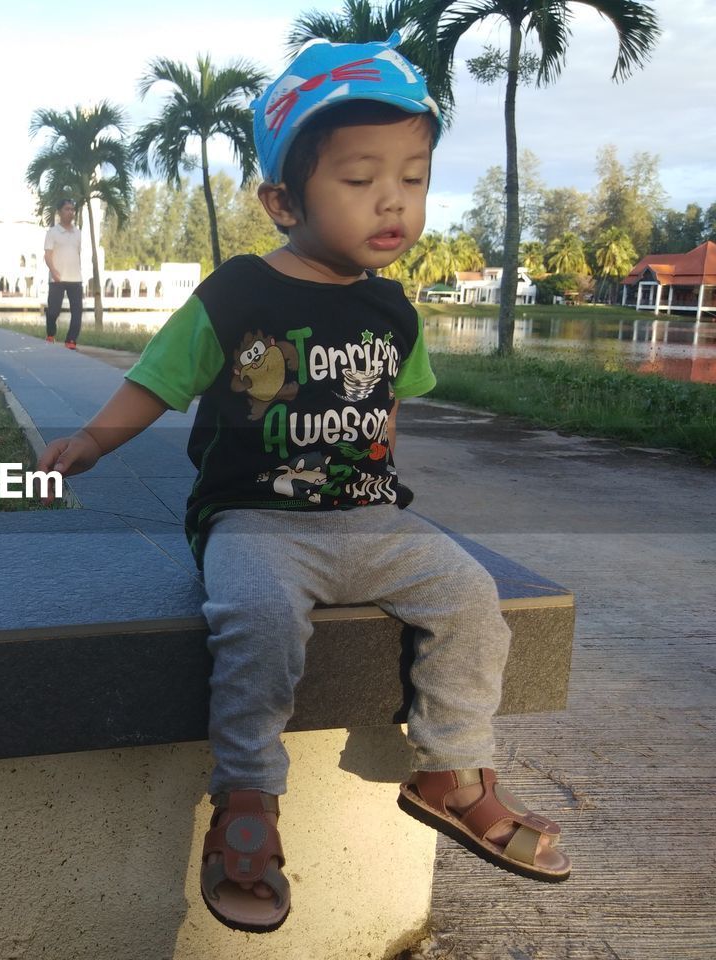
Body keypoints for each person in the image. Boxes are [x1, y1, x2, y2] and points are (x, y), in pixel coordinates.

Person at [36, 32, 570, 934]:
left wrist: (383, 491)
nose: (391, 201)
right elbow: (157, 380)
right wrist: (91, 441)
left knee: (472, 595)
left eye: (412, 178)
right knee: (257, 620)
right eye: (360, 180)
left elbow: (384, 408)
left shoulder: (395, 308)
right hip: (254, 519)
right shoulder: (238, 294)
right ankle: (248, 799)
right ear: (282, 198)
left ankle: (451, 771)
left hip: (363, 516)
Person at [42, 198, 83, 349]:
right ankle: (51, 333)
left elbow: (77, 253)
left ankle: (71, 340)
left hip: (75, 278)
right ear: (59, 212)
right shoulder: (52, 233)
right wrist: (53, 271)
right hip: (57, 278)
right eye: (67, 209)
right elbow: (47, 255)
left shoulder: (78, 233)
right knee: (53, 311)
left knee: (77, 311)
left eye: (72, 209)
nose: (70, 212)